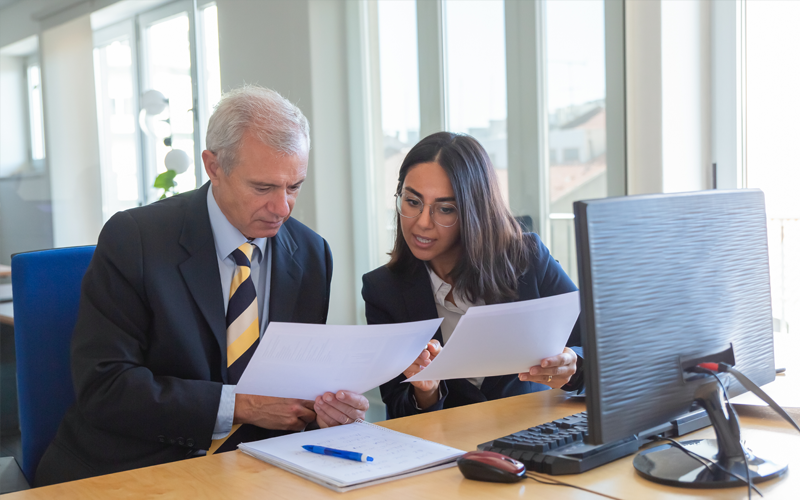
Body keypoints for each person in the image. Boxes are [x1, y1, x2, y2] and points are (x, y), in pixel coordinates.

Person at [36, 86, 367, 485]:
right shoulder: (136, 239)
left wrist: (326, 410)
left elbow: (294, 382)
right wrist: (239, 406)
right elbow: (106, 388)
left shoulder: (311, 254)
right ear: (213, 166)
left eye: (294, 186)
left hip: (257, 469)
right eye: (263, 188)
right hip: (135, 467)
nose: (282, 208)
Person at [362, 132, 583, 419]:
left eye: (445, 209)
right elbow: (397, 407)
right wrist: (426, 391)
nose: (422, 223)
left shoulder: (528, 259)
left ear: (474, 211)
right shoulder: (383, 289)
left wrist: (572, 365)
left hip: (534, 437)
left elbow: (599, 347)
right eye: (412, 202)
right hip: (446, 450)